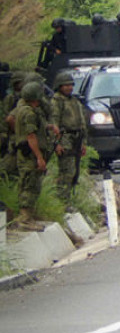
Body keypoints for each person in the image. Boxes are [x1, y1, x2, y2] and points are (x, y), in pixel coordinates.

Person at [10, 81, 52, 228]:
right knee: (30, 185)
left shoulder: (26, 109)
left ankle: (28, 216)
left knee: (31, 183)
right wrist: (39, 157)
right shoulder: (28, 113)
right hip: (29, 155)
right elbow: (31, 136)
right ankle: (25, 218)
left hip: (28, 153)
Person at [49, 72, 87, 208]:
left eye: (71, 85)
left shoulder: (74, 101)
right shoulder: (56, 102)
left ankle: (69, 199)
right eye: (66, 85)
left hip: (77, 138)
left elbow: (82, 122)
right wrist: (56, 143)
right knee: (67, 171)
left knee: (75, 172)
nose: (69, 88)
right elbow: (54, 123)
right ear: (59, 86)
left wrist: (83, 143)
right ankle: (63, 201)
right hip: (65, 138)